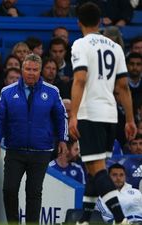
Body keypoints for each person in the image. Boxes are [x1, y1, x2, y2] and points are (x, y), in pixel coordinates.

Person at [68, 3, 137, 224]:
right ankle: (84, 220)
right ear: (100, 21)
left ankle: (120, 219)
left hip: (91, 114)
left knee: (98, 171)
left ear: (79, 22)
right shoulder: (115, 47)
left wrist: (73, 115)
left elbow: (80, 79)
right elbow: (123, 86)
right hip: (110, 116)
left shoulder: (80, 44)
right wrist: (130, 119)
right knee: (93, 170)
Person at [0, 53, 68, 223]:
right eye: (28, 69)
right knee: (9, 189)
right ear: (21, 70)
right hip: (14, 150)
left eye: (35, 70)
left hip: (41, 151)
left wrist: (62, 139)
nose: (31, 73)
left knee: (33, 193)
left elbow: (61, 116)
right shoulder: (7, 92)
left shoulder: (52, 91)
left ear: (40, 71)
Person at [126, 53, 142, 117]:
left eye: (138, 64)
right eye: (132, 64)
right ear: (126, 65)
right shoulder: (120, 82)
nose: (135, 67)